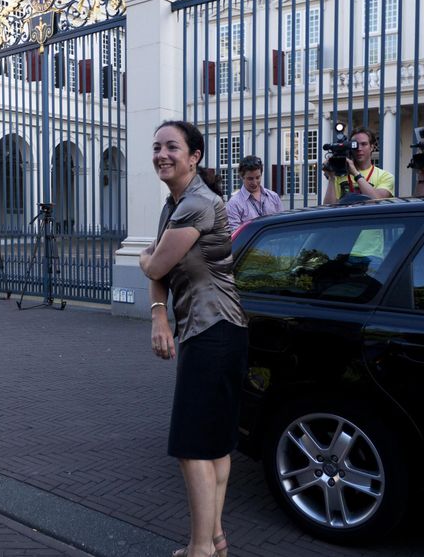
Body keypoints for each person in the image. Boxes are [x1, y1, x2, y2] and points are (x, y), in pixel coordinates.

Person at [140, 121, 247, 557]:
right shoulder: (175, 204)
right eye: (157, 147)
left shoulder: (198, 204)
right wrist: (158, 315)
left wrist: (150, 259)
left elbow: (153, 265)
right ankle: (215, 540)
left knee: (192, 447)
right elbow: (159, 272)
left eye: (172, 147)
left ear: (194, 156)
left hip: (215, 330)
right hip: (212, 331)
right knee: (213, 445)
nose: (162, 154)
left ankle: (201, 548)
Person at [322, 127, 394, 203]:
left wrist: (355, 173)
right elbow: (329, 206)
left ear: (372, 147)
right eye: (355, 145)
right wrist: (331, 178)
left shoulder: (385, 176)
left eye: (364, 144)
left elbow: (378, 201)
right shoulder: (340, 175)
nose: (359, 148)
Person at [225, 155, 283, 232]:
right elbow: (235, 234)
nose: (254, 183)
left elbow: (282, 224)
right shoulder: (234, 203)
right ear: (242, 177)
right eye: (250, 179)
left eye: (257, 177)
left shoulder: (274, 197)